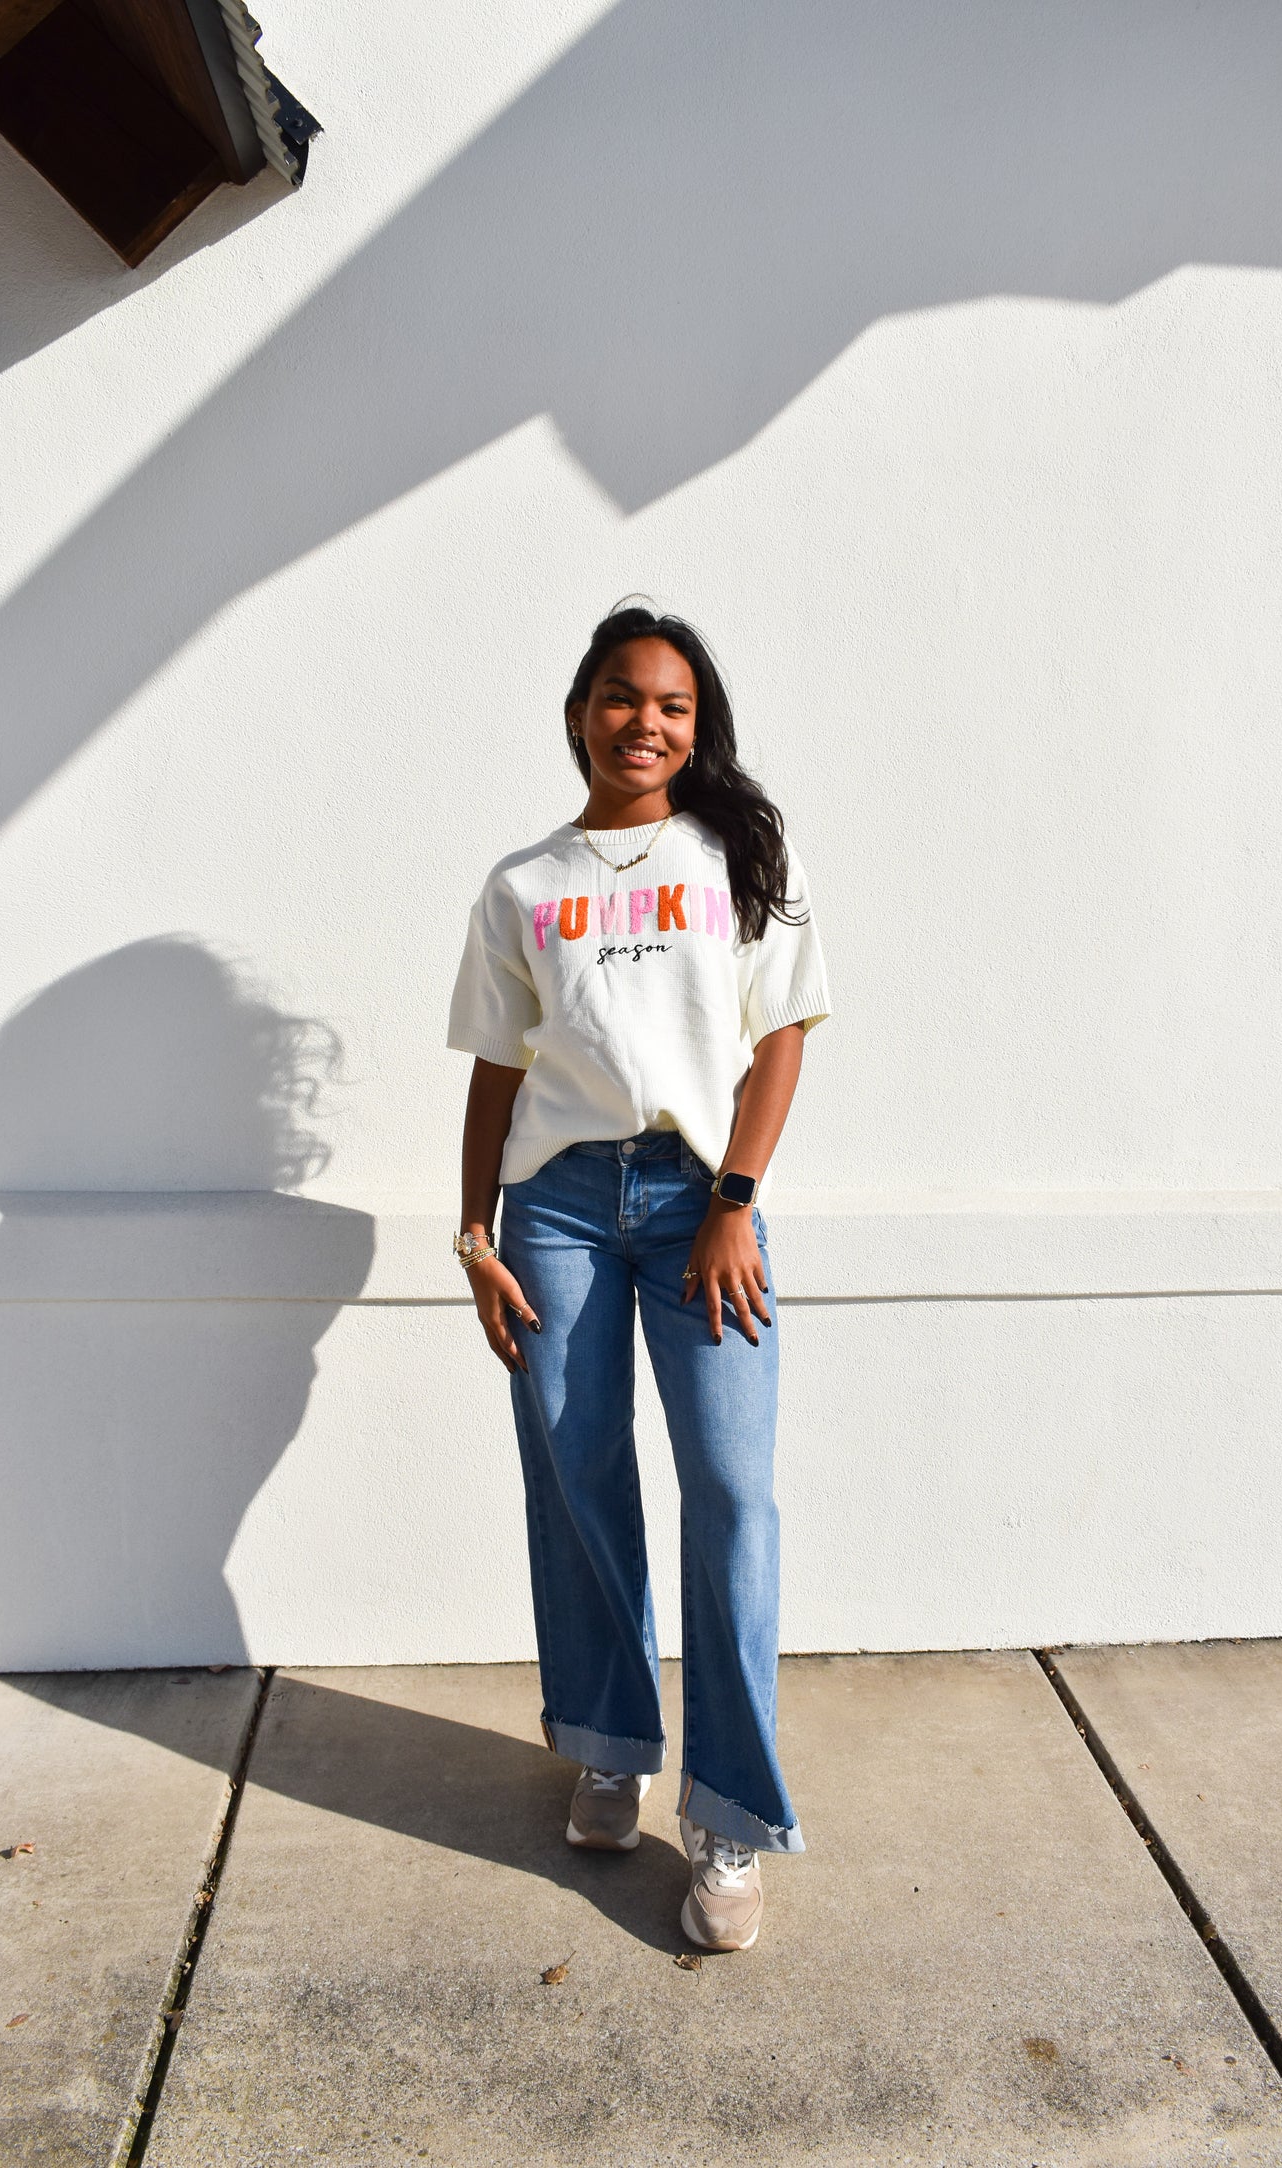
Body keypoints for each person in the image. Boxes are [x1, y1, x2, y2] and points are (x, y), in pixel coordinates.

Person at [446, 601, 830, 1951]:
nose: (645, 721)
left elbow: (778, 1038)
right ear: (578, 712)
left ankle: (728, 1818)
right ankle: (610, 1740)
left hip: (692, 1206)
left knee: (729, 1495)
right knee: (576, 1473)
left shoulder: (731, 858)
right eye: (621, 697)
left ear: (693, 728)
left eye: (670, 704)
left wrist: (734, 1199)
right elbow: (499, 1067)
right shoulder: (522, 884)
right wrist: (475, 1233)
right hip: (551, 1210)